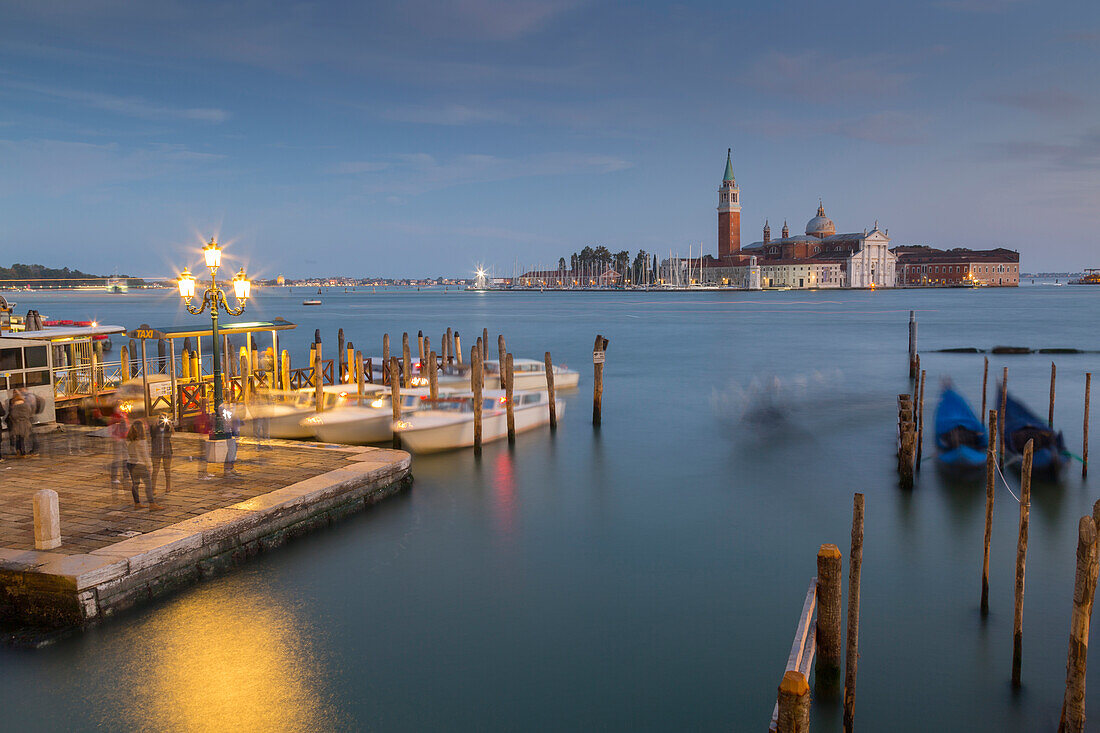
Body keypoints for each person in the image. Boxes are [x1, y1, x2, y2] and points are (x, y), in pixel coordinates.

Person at [125, 420, 161, 510]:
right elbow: (145, 455)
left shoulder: (128, 440)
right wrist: (149, 466)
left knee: (135, 484)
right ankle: (152, 504)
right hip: (140, 464)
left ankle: (137, 503)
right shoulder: (142, 441)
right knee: (148, 484)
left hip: (130, 463)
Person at [149, 414, 174, 493]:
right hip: (156, 451)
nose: (163, 421)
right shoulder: (154, 428)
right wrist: (155, 423)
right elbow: (151, 434)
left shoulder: (168, 428)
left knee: (167, 470)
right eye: (161, 419)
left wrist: (169, 424)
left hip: (167, 451)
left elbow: (172, 432)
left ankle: (168, 487)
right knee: (155, 470)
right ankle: (153, 488)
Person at [8, 392, 33, 457]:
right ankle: (23, 451)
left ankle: (19, 450)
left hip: (17, 423)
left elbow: (13, 415)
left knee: (18, 438)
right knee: (22, 437)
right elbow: (29, 413)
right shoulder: (26, 405)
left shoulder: (14, 406)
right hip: (25, 423)